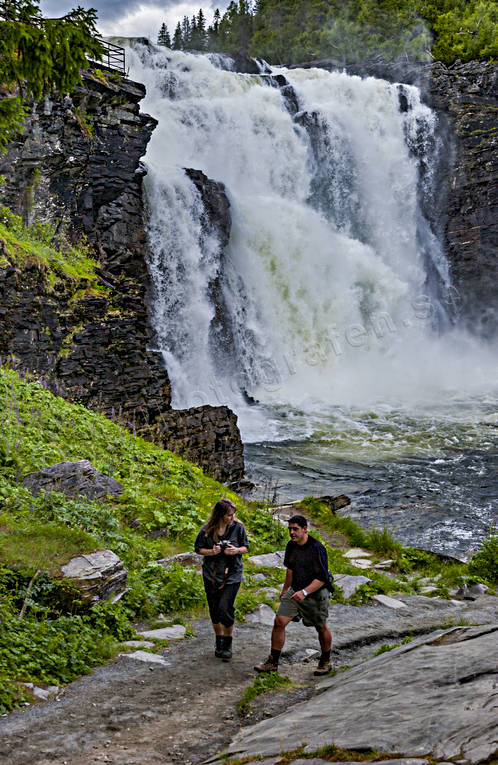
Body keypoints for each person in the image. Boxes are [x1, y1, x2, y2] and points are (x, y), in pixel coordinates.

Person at [254, 514, 332, 676]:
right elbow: (290, 569)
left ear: (305, 529)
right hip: (295, 589)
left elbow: (322, 578)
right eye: (290, 529)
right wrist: (285, 590)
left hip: (315, 593)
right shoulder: (292, 545)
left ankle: (325, 660)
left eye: (295, 529)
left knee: (320, 626)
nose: (292, 532)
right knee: (279, 621)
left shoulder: (316, 548)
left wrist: (304, 592)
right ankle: (273, 662)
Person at [195, 498, 249, 660]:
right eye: (229, 515)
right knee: (214, 608)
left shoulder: (238, 528)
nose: (232, 518)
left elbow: (246, 547)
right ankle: (219, 640)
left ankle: (228, 641)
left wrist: (236, 550)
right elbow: (198, 549)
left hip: (232, 573)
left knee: (226, 607)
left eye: (233, 515)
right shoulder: (207, 530)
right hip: (211, 574)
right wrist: (212, 552)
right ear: (220, 515)